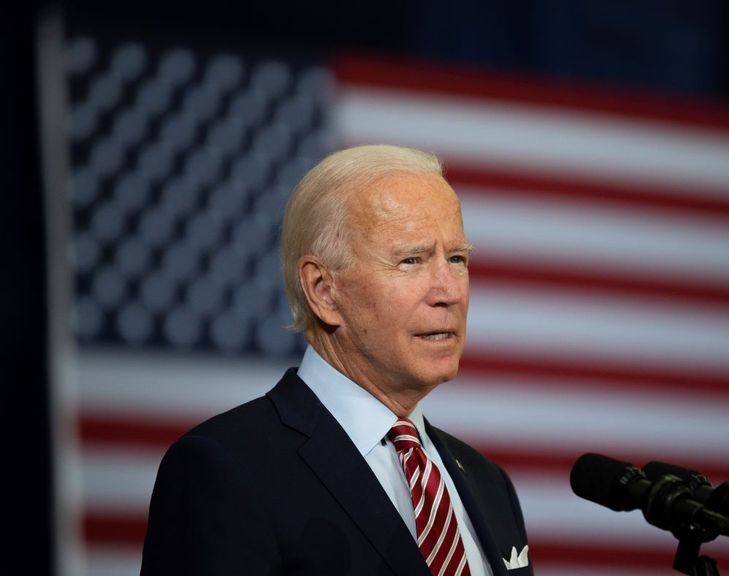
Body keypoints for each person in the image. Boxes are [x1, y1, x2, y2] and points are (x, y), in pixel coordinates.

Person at [141, 144, 531, 575]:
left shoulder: (488, 483)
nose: (450, 291)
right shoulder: (225, 470)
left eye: (457, 259)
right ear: (323, 291)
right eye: (411, 261)